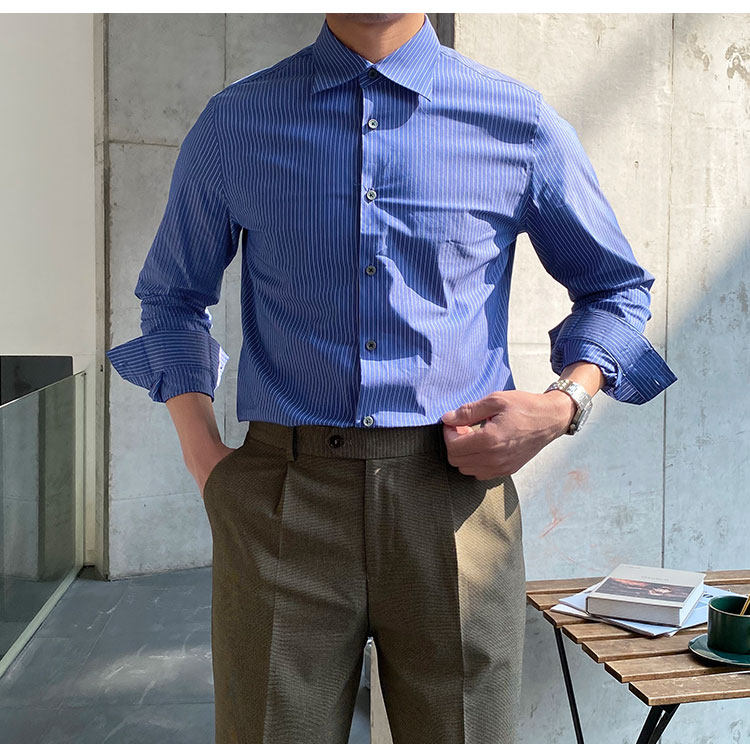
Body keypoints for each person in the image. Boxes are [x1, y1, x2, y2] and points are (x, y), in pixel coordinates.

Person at [106, 12, 677, 744]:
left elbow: (616, 289)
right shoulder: (236, 123)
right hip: (282, 498)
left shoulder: (520, 123)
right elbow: (172, 298)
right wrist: (205, 460)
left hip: (455, 502)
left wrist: (563, 403)